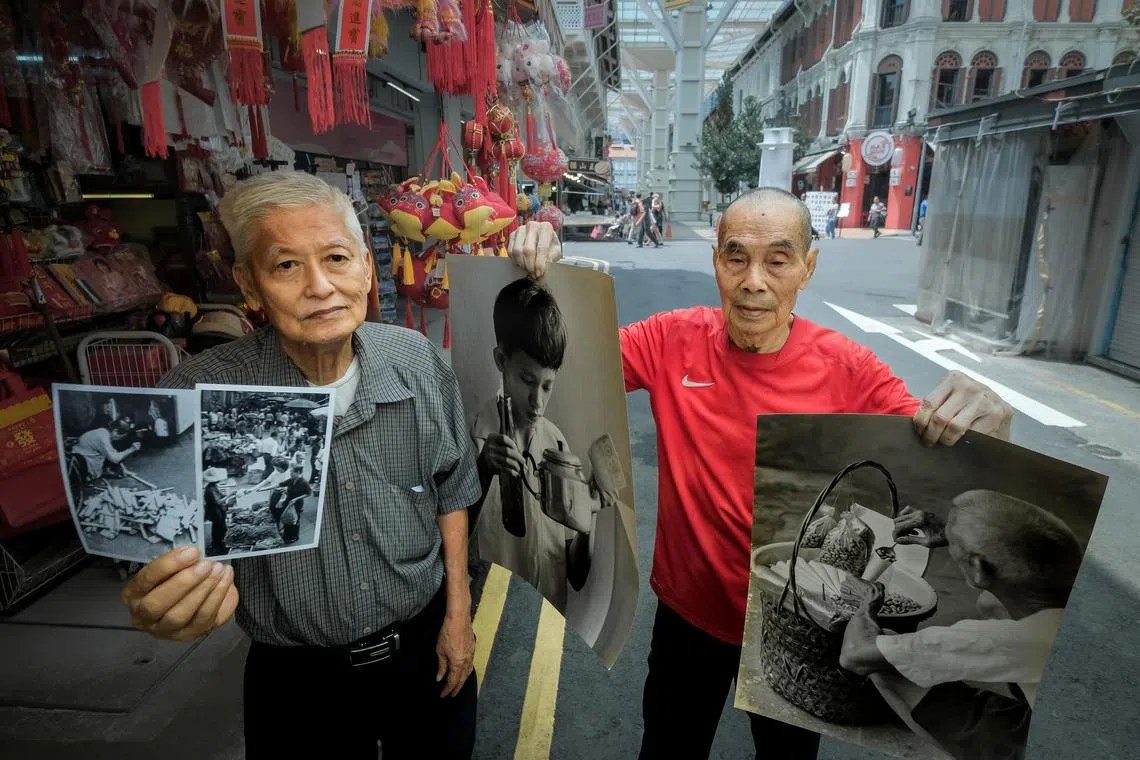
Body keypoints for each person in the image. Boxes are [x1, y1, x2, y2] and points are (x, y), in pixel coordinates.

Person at [508, 187, 1014, 760]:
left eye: (778, 259)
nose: (754, 281)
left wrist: (987, 421)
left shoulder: (851, 370)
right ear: (716, 261)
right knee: (669, 749)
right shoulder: (670, 339)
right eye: (735, 257)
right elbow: (558, 359)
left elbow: (943, 440)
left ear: (807, 267)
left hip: (799, 623)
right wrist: (535, 276)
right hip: (688, 618)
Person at [120, 171, 482, 760]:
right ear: (250, 286)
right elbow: (156, 544)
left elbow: (453, 487)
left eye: (336, 258)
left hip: (423, 647)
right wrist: (164, 601)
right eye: (286, 266)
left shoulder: (415, 361)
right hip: (295, 677)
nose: (320, 287)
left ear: (366, 267)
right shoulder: (199, 394)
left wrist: (459, 618)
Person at [839, 490, 1082, 760]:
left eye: (953, 542)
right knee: (992, 603)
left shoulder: (1009, 640)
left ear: (978, 568)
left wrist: (867, 604)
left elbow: (855, 654)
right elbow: (1033, 549)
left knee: (884, 657)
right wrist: (952, 534)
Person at [469, 278, 606, 612]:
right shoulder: (473, 436)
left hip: (547, 623)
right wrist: (484, 470)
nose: (537, 402)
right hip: (492, 619)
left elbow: (575, 575)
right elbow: (450, 543)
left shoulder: (557, 445)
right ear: (501, 360)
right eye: (527, 380)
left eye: (547, 386)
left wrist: (588, 518)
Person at [72, 416, 141, 481]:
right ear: (115, 431)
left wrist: (124, 469)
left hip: (87, 458)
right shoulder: (103, 437)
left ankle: (103, 472)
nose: (119, 438)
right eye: (121, 436)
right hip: (81, 464)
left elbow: (113, 452)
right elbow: (114, 458)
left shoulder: (104, 432)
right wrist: (131, 449)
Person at [203, 467, 237, 556]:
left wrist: (230, 495)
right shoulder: (209, 489)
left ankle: (220, 544)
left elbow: (221, 495)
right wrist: (229, 495)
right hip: (214, 511)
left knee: (221, 528)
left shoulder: (214, 486)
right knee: (218, 528)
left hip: (219, 510)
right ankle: (217, 546)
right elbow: (218, 502)